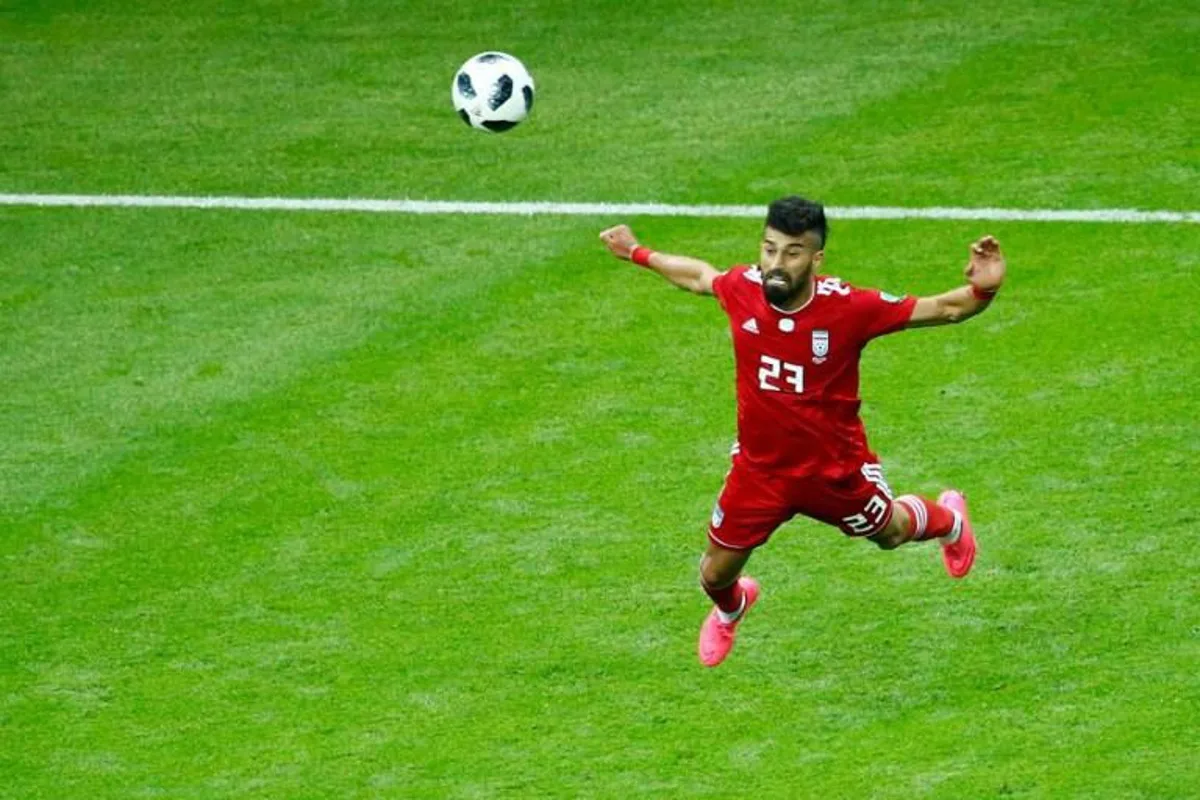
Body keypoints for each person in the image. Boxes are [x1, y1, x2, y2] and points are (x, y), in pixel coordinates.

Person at [598, 196, 1006, 667]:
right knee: (713, 577)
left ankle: (951, 522)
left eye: (791, 253)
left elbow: (942, 309)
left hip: (833, 473)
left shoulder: (850, 307)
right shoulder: (743, 288)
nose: (775, 263)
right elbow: (699, 277)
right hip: (759, 473)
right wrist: (638, 252)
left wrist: (983, 292)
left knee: (891, 534)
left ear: (815, 259)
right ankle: (734, 608)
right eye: (769, 248)